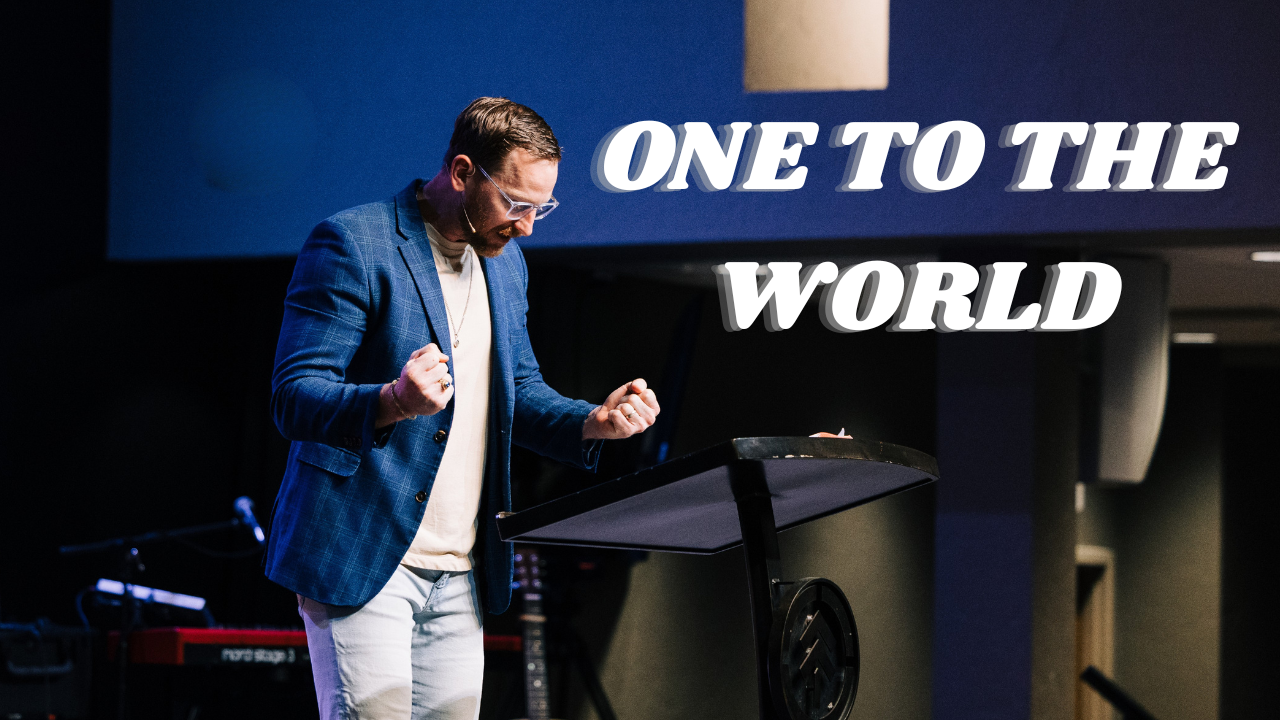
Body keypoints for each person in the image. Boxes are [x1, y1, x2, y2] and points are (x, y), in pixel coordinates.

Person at [266, 97, 659, 719]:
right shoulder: (354, 243)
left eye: (541, 208)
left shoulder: (506, 266)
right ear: (462, 172)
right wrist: (393, 400)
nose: (527, 226)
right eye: (516, 203)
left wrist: (593, 421)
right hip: (363, 555)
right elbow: (294, 396)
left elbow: (519, 390)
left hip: (462, 571)